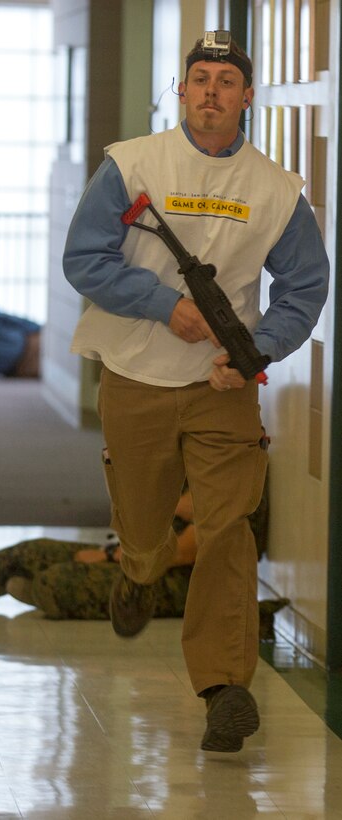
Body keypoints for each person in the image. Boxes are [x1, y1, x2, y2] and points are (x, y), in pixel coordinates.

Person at [62, 31, 329, 755]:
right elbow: (83, 258)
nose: (211, 90)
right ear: (181, 91)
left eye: (225, 80)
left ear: (246, 96)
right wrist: (160, 304)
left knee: (226, 528)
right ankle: (141, 566)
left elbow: (304, 289)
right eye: (199, 78)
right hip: (133, 371)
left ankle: (223, 687)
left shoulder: (276, 190)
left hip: (222, 386)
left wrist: (258, 352)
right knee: (145, 519)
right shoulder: (133, 164)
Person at [0, 483, 287, 640]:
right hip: (139, 555)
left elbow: (184, 550)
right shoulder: (183, 449)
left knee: (55, 583)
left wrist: (111, 556)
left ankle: (43, 591)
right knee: (29, 552)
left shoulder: (239, 474)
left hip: (180, 580)